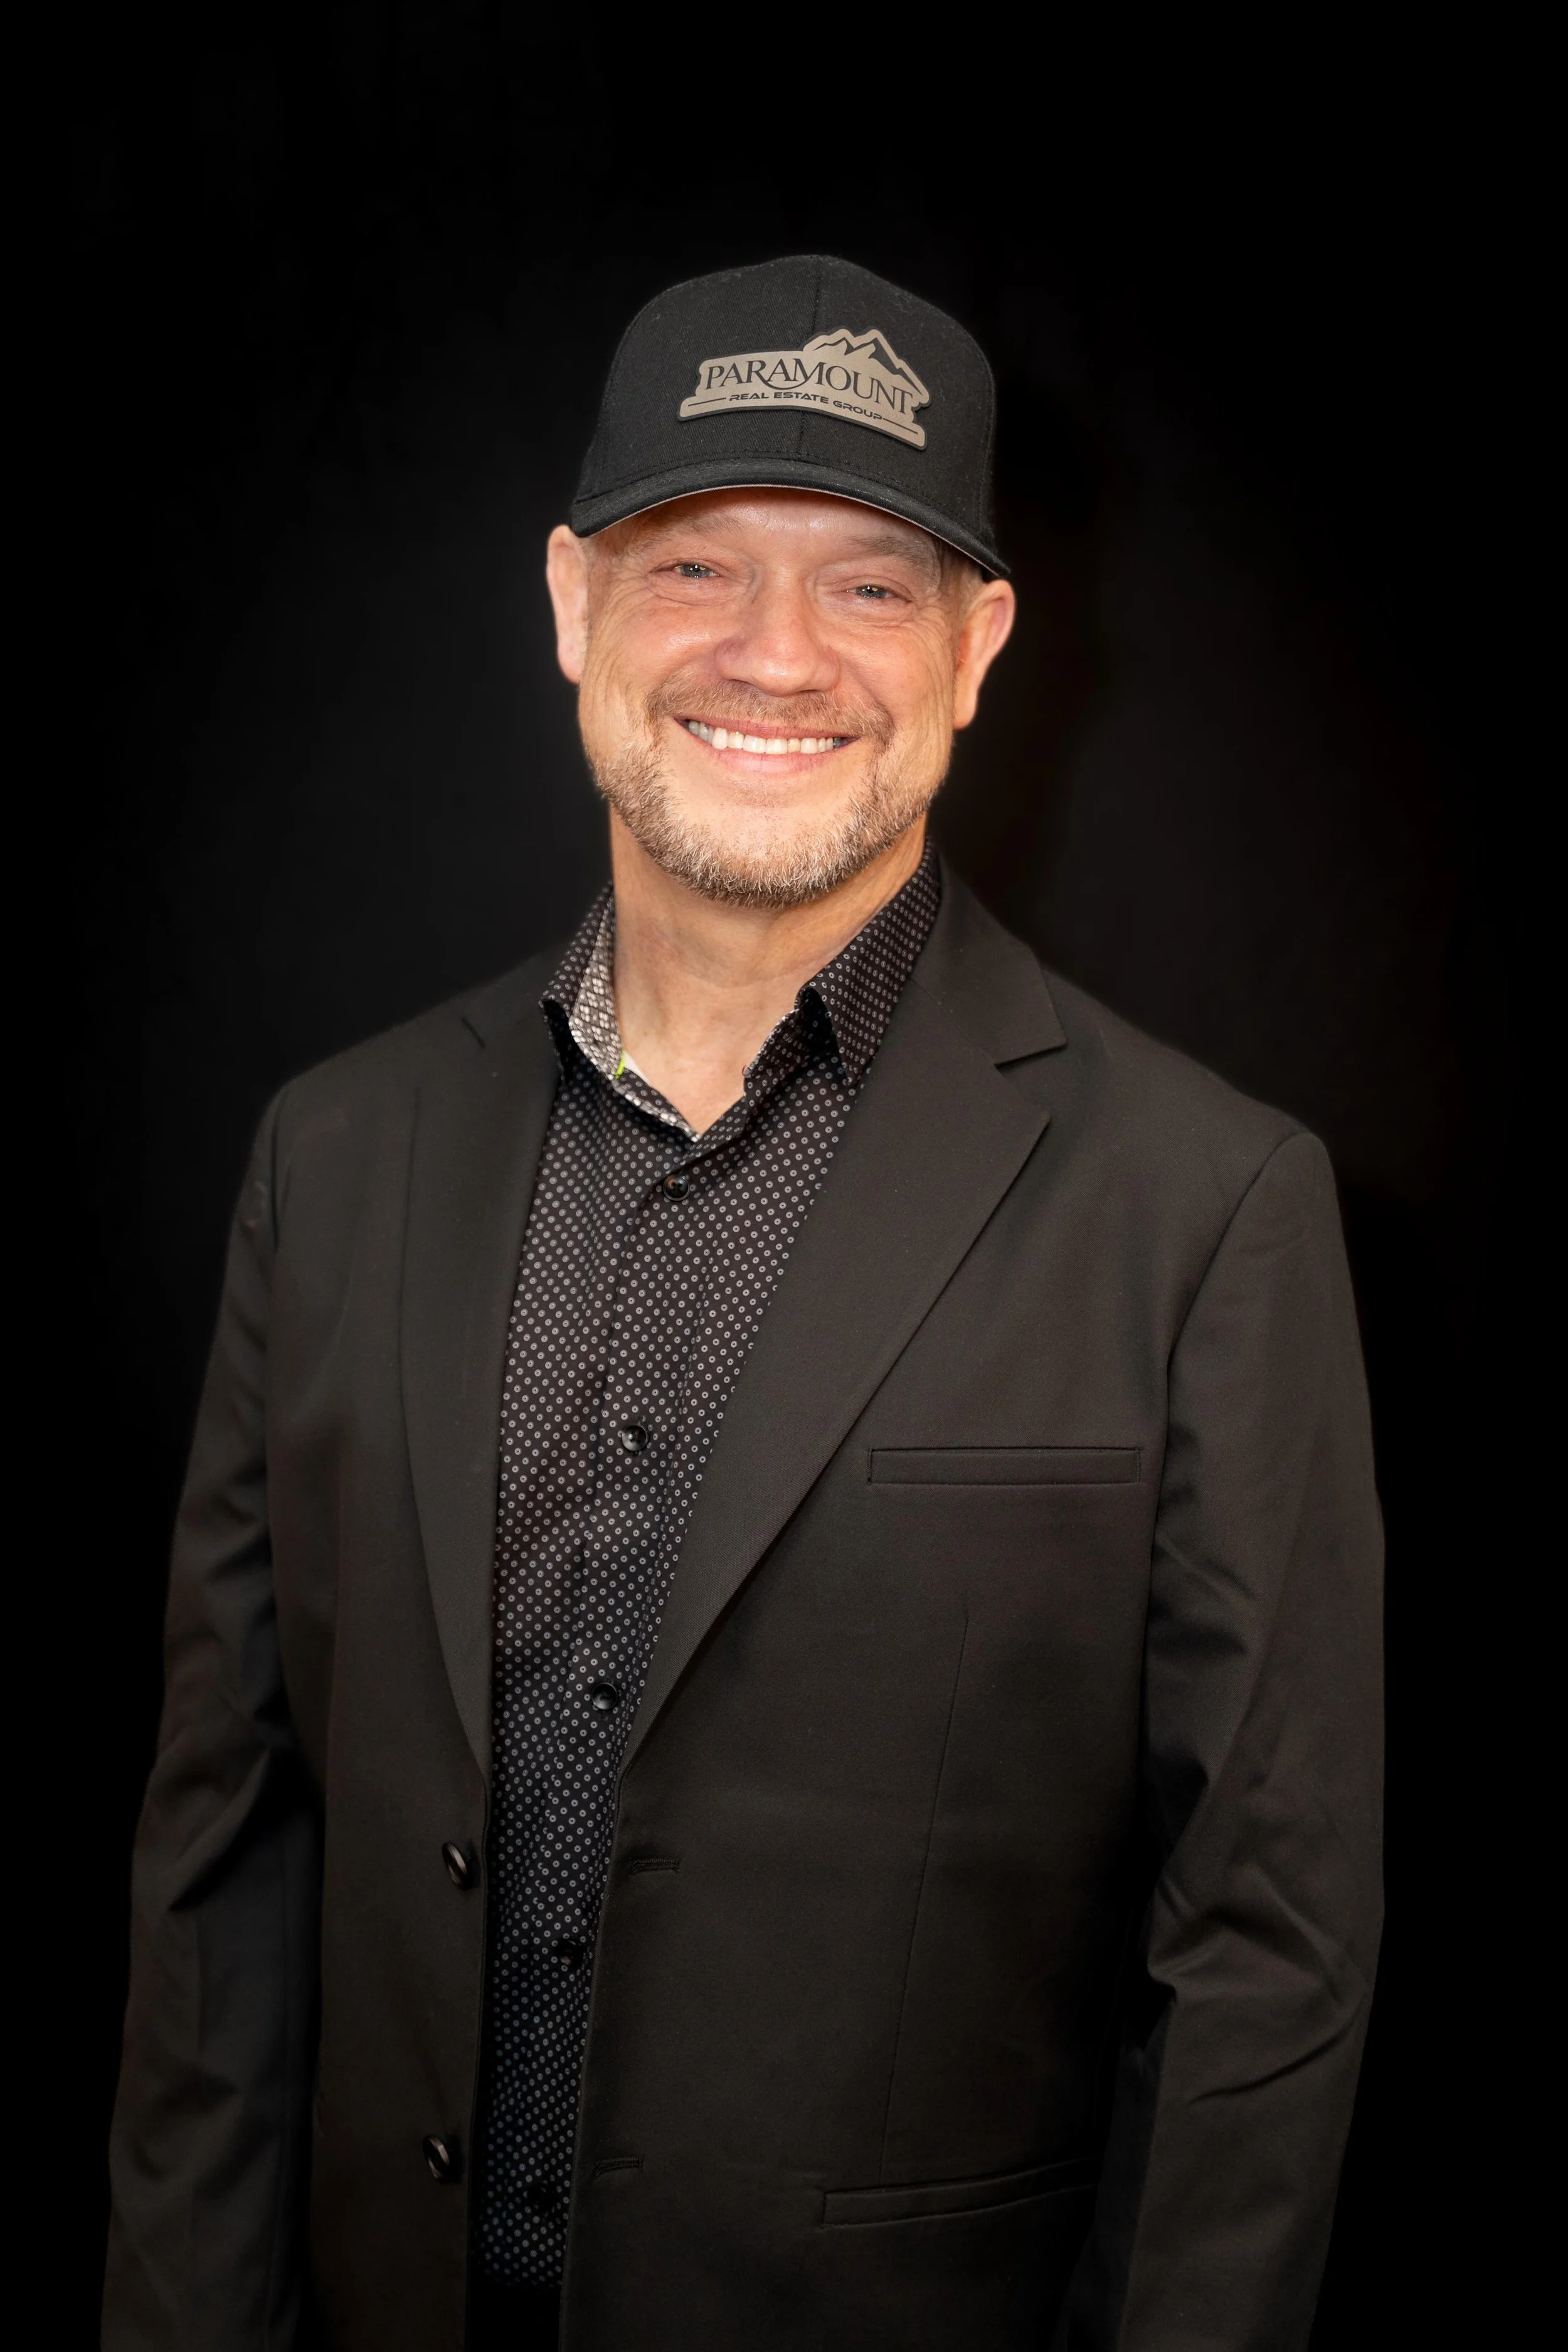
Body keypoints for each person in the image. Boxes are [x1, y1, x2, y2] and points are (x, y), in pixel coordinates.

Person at [104, 255, 1382, 2352]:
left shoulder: (1206, 1207)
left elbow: (1263, 1957)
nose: (776, 655)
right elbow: (224, 1865)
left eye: (870, 583)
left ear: (977, 648)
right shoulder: (331, 1162)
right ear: (568, 607)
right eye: (694, 564)